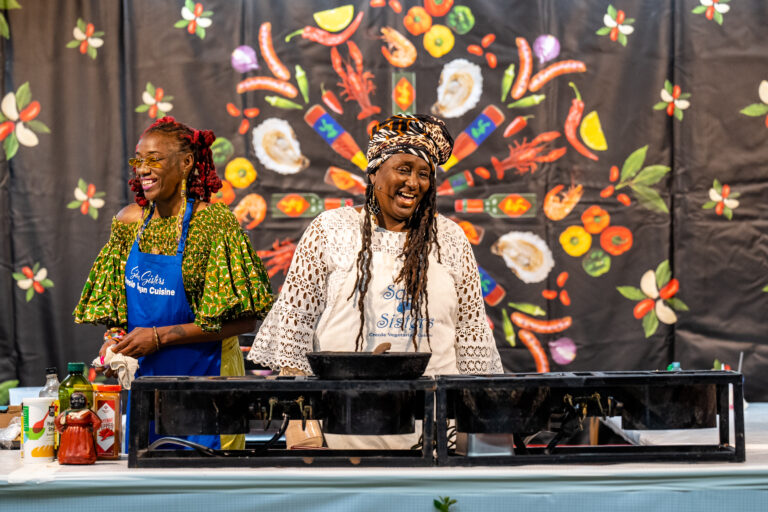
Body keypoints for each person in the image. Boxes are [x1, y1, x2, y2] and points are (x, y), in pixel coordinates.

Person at [248, 113, 501, 377]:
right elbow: (295, 328)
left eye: (423, 174)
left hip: (433, 410)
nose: (413, 183)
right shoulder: (330, 229)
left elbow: (472, 335)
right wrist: (304, 416)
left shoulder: (451, 238)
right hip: (342, 407)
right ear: (374, 172)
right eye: (403, 169)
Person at [74, 116, 274, 450]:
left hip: (209, 384)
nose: (143, 168)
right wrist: (114, 343)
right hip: (148, 389)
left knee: (211, 492)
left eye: (154, 159)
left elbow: (244, 320)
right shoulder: (128, 223)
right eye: (139, 159)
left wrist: (158, 337)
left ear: (185, 163)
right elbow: (119, 313)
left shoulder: (214, 223)